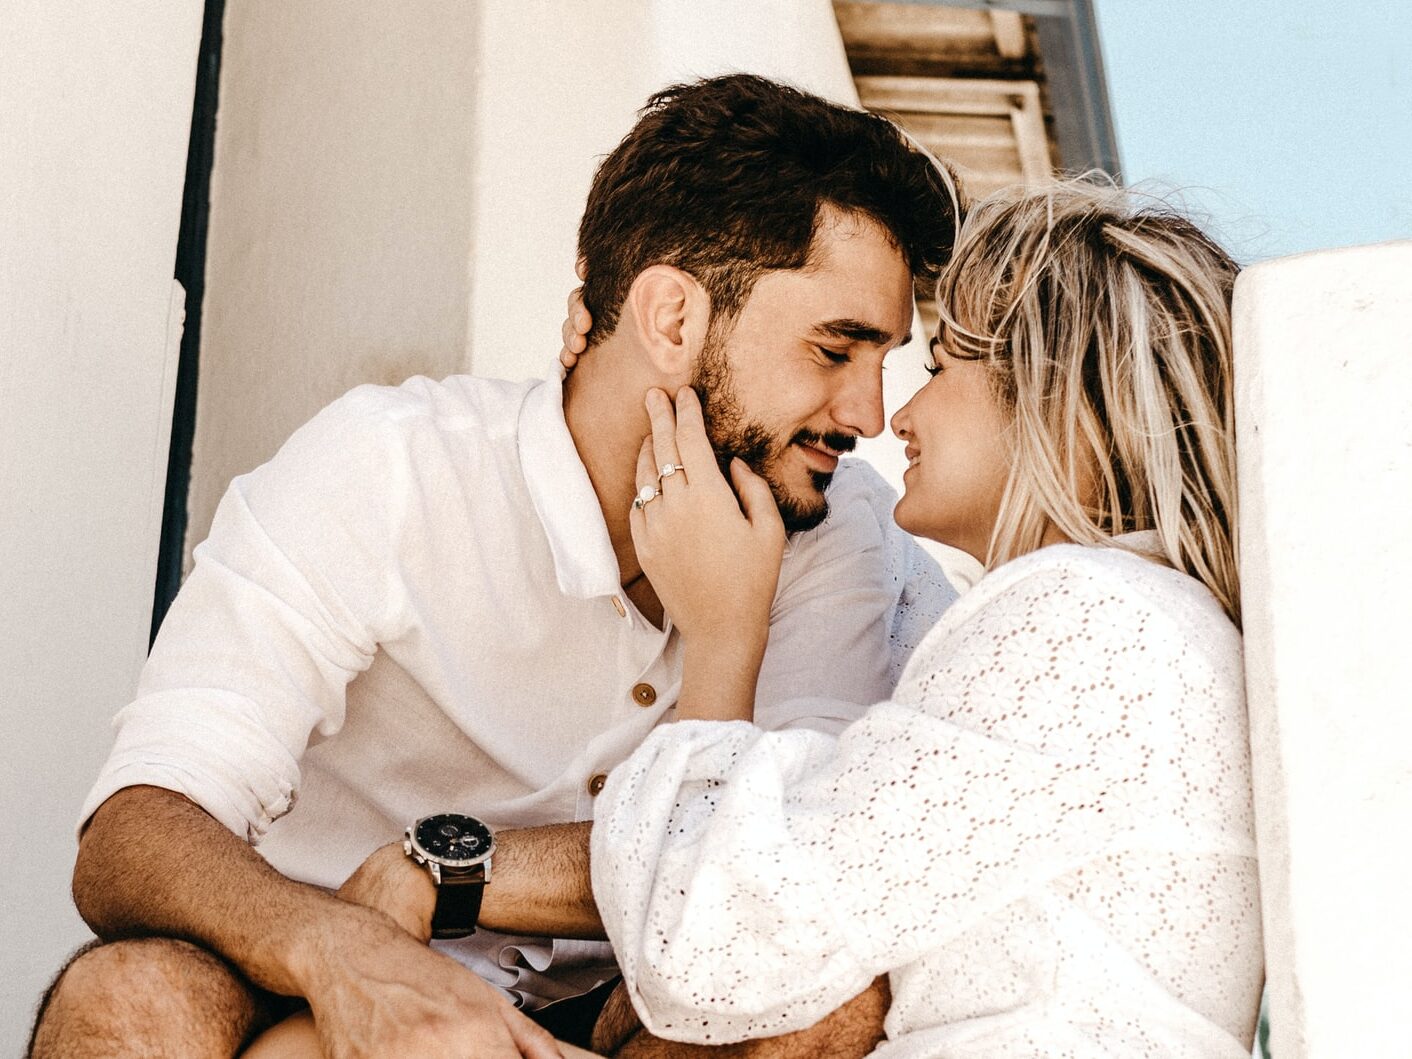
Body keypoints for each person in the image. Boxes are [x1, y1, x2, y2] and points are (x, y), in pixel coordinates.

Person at [29, 74, 959, 1059]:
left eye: (884, 361)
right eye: (835, 350)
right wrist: (343, 958)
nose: (866, 413)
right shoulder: (389, 467)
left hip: (617, 1015)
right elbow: (139, 827)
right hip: (310, 976)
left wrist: (453, 873)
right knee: (128, 1000)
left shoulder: (830, 521)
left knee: (825, 1002)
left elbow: (780, 864)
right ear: (673, 320)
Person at [298, 177, 1260, 1057]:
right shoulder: (1129, 630)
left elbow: (716, 942)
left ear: (1065, 401)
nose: (893, 416)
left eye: (945, 363)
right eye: (842, 354)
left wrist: (722, 632)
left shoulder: (1082, 623)